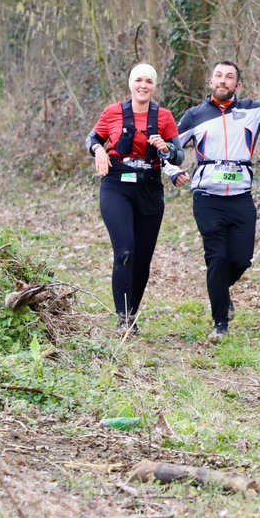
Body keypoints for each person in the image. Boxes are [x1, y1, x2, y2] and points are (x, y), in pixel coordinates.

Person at [172, 52, 260, 337]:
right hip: (207, 198)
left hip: (241, 197)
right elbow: (170, 149)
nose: (223, 81)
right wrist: (172, 170)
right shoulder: (194, 115)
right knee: (217, 257)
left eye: (229, 77)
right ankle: (220, 323)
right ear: (210, 81)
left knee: (242, 259)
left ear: (237, 85)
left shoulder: (252, 110)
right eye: (219, 76)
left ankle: (219, 288)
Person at [85, 63, 187, 331]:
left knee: (142, 258)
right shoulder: (112, 112)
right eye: (139, 80)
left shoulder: (164, 116)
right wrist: (98, 150)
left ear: (154, 87)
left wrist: (166, 149)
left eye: (149, 82)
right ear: (130, 83)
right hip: (116, 185)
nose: (143, 86)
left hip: (149, 187)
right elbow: (91, 139)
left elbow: (179, 155)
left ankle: (131, 314)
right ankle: (122, 317)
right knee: (125, 251)